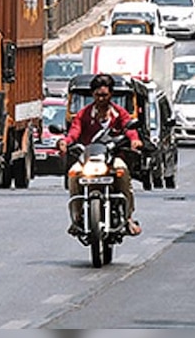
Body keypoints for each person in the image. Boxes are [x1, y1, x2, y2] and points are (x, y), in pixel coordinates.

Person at [60, 73, 143, 236]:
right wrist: (66, 142)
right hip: (88, 159)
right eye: (98, 95)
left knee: (123, 171)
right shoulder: (83, 114)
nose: (101, 99)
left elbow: (130, 128)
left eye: (105, 95)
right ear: (93, 95)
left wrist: (134, 140)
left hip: (112, 158)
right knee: (73, 173)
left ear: (111, 94)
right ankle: (77, 218)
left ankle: (128, 218)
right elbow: (74, 131)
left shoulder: (119, 113)